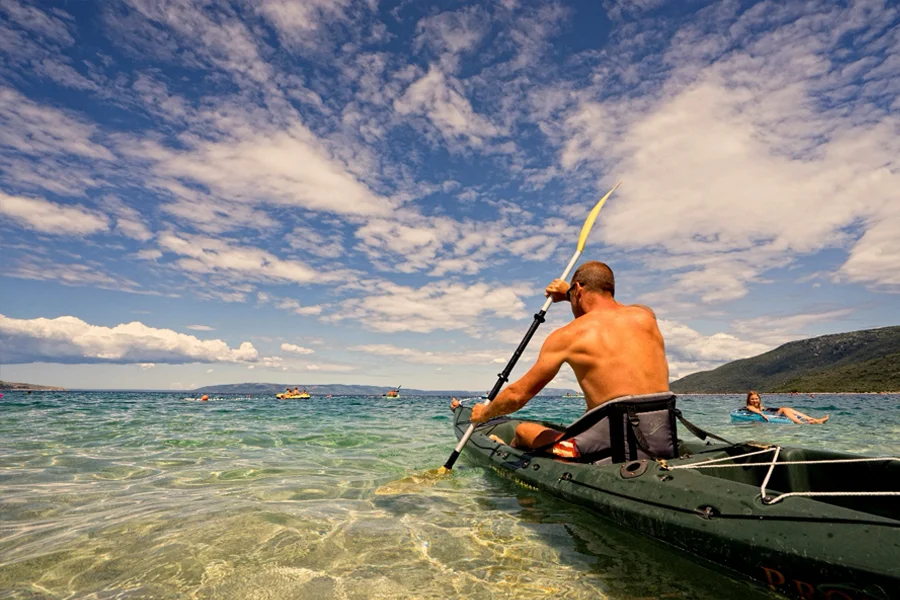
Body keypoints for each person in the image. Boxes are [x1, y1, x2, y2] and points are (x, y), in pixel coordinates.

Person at [450, 261, 670, 456]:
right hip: (661, 439)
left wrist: (484, 412)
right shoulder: (645, 317)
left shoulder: (568, 335)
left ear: (579, 289)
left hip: (611, 447)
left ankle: (515, 450)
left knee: (523, 431)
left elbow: (517, 396)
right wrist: (568, 294)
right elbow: (618, 310)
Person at [744, 390, 828, 424]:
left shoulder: (761, 406)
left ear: (759, 399)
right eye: (752, 399)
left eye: (756, 398)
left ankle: (812, 419)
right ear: (749, 400)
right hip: (771, 416)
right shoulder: (749, 406)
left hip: (772, 414)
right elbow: (752, 409)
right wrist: (762, 414)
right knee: (784, 409)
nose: (755, 400)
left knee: (787, 408)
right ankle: (801, 423)